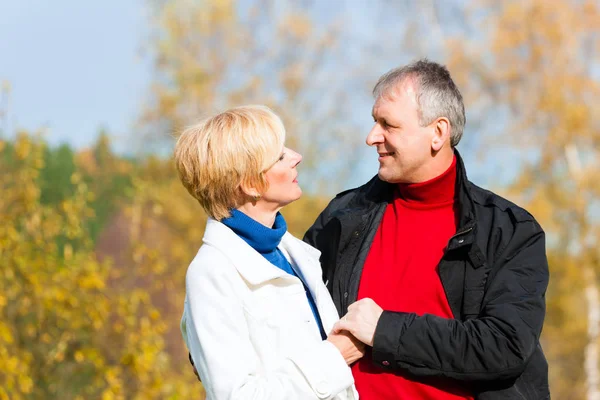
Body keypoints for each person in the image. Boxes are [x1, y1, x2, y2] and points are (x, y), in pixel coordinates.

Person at [304, 59, 550, 399]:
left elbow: (504, 347)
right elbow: (289, 310)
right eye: (374, 122)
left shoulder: (510, 230)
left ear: (437, 133)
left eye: (388, 125)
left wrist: (384, 329)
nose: (371, 137)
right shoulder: (343, 216)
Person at [175, 105, 362, 400]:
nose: (296, 156)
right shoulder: (211, 272)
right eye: (279, 155)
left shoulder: (296, 254)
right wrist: (335, 356)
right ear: (250, 183)